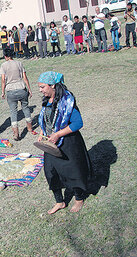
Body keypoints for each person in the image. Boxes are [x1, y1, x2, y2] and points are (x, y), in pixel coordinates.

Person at [37, 71, 92, 214]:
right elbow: (47, 120)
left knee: (72, 172)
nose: (40, 90)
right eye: (40, 87)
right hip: (51, 144)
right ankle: (59, 202)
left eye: (43, 87)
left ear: (53, 85)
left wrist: (58, 134)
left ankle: (79, 199)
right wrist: (42, 133)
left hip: (68, 143)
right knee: (50, 172)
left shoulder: (67, 101)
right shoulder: (47, 100)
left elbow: (78, 123)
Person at [0, 48, 35, 141]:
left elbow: (3, 80)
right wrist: (29, 89)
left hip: (10, 91)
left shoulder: (3, 65)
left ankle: (16, 133)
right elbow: (25, 78)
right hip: (22, 88)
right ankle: (30, 128)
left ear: (5, 56)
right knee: (26, 108)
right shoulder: (19, 63)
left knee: (13, 111)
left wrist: (2, 92)